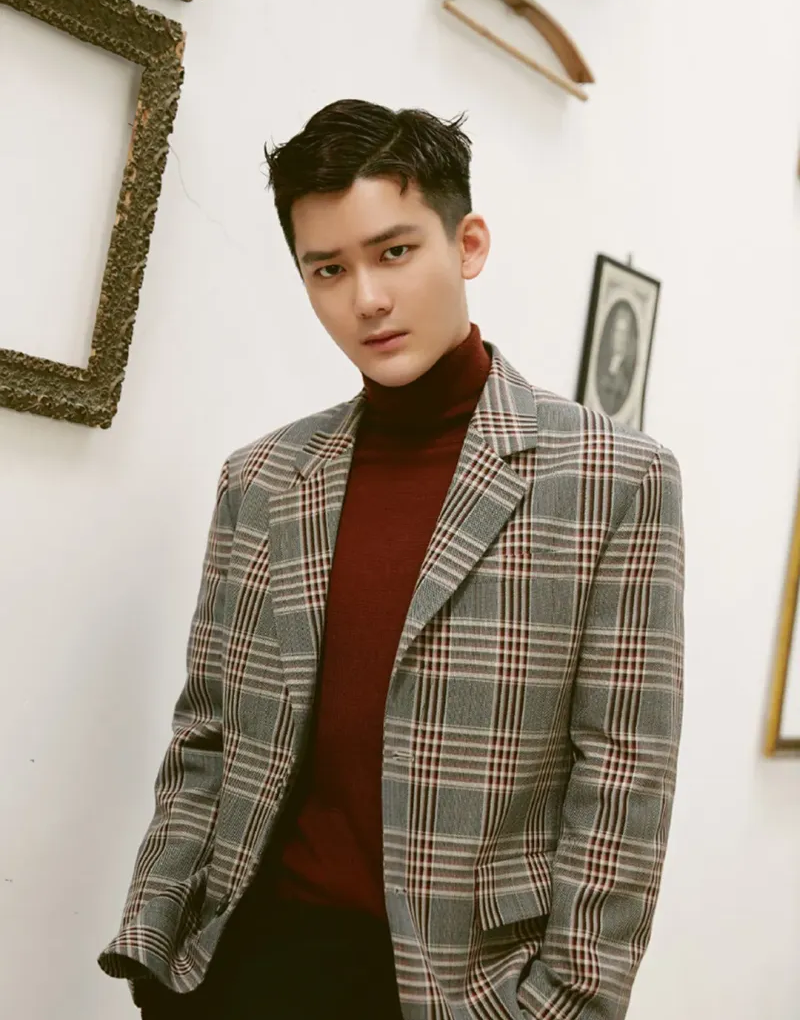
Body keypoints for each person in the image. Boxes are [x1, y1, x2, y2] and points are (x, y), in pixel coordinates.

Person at [97, 100, 685, 1019]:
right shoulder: (260, 478)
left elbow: (623, 782)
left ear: (468, 244)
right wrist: (154, 950)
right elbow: (206, 733)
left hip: (461, 990)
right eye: (328, 268)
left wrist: (565, 1003)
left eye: (395, 251)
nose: (365, 298)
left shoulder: (614, 479)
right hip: (241, 969)